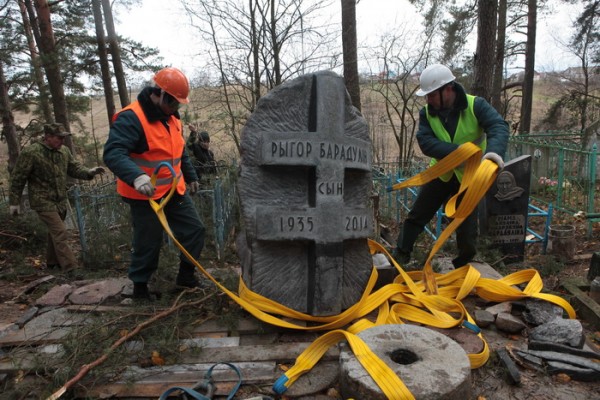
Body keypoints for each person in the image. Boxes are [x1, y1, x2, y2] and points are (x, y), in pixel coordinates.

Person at [103, 67, 206, 300]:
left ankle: (186, 279)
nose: (175, 108)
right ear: (157, 93)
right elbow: (113, 153)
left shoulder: (172, 119)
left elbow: (179, 153)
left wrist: (191, 177)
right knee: (148, 240)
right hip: (145, 194)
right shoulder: (132, 117)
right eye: (172, 102)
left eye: (178, 104)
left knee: (195, 231)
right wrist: (137, 176)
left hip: (172, 191)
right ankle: (140, 289)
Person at [393, 64, 509, 269]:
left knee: (466, 227)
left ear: (448, 89)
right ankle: (400, 256)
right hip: (442, 172)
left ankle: (463, 266)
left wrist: (493, 154)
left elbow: (498, 126)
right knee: (417, 215)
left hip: (470, 177)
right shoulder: (427, 113)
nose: (428, 100)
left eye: (431, 95)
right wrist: (461, 154)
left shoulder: (476, 105)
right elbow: (425, 141)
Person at [9, 123, 106, 270]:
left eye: (64, 138)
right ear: (48, 137)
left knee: (54, 232)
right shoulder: (32, 152)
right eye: (59, 138)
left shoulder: (64, 151)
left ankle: (52, 263)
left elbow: (74, 168)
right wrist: (14, 202)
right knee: (60, 231)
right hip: (42, 200)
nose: (62, 141)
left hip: (60, 200)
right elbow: (18, 177)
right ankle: (71, 268)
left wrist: (89, 172)